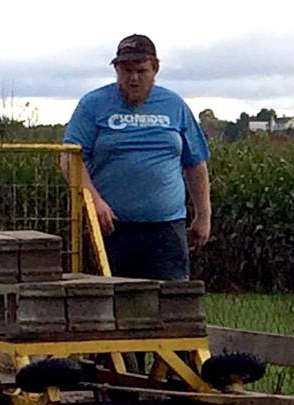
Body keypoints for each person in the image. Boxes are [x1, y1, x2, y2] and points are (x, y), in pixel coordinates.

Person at [62, 34, 211, 281]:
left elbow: (195, 163)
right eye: (126, 70)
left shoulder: (174, 105)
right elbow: (70, 159)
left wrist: (203, 216)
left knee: (171, 307)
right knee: (114, 308)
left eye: (141, 71)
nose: (133, 79)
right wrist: (94, 201)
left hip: (167, 229)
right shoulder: (93, 105)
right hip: (112, 230)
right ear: (116, 70)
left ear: (155, 69)